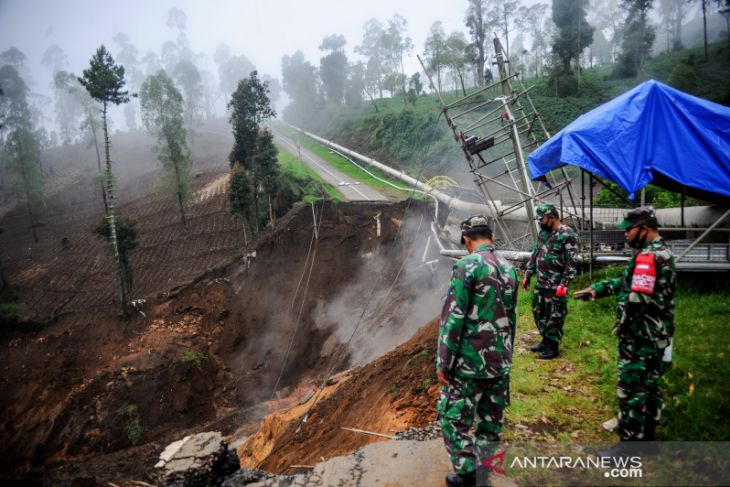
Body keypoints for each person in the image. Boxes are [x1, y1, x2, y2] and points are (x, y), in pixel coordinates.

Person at [574, 206, 675, 456]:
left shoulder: (648, 258)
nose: (626, 235)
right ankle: (647, 441)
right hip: (657, 335)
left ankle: (628, 449)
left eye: (629, 230)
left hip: (639, 336)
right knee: (650, 385)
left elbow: (637, 298)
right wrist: (599, 288)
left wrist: (624, 328)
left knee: (631, 389)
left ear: (643, 228)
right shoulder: (660, 253)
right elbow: (626, 283)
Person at [437, 215, 518, 487]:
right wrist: (507, 356)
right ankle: (483, 472)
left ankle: (468, 473)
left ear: (467, 240)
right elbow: (512, 318)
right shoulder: (510, 269)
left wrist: (443, 363)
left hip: (469, 363)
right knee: (490, 421)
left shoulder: (466, 265)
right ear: (492, 238)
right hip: (500, 361)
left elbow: (454, 318)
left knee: (453, 418)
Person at [522, 203, 579, 359]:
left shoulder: (567, 234)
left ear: (551, 218)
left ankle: (553, 347)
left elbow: (572, 262)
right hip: (541, 282)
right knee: (538, 311)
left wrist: (564, 283)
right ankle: (545, 341)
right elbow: (535, 253)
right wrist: (528, 274)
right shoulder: (544, 234)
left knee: (555, 315)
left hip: (556, 285)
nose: (540, 222)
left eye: (542, 219)